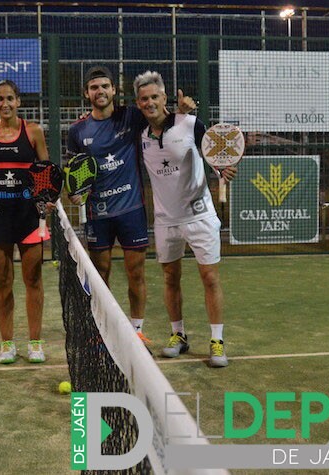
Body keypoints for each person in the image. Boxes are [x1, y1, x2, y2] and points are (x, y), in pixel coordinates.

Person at [67, 66, 195, 348]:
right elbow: (75, 172)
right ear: (86, 93)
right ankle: (100, 329)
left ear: (114, 90)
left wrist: (184, 112)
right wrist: (76, 194)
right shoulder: (77, 131)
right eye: (94, 87)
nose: (100, 91)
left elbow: (162, 118)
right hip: (98, 214)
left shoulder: (133, 116)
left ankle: (136, 331)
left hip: (131, 211)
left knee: (135, 273)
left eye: (105, 86)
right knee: (100, 277)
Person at [134, 70, 237, 367]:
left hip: (199, 215)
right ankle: (178, 334)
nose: (150, 102)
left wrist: (222, 170)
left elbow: (214, 155)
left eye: (155, 96)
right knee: (170, 278)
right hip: (166, 220)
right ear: (138, 103)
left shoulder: (191, 124)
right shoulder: (139, 134)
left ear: (165, 97)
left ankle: (217, 341)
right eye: (144, 99)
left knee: (209, 277)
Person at [0, 79, 51, 364]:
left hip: (29, 217)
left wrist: (46, 198)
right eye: (0, 99)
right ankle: (7, 343)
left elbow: (45, 170)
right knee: (2, 280)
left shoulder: (33, 131)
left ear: (18, 101)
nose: (5, 103)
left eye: (10, 98)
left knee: (33, 278)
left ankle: (35, 342)